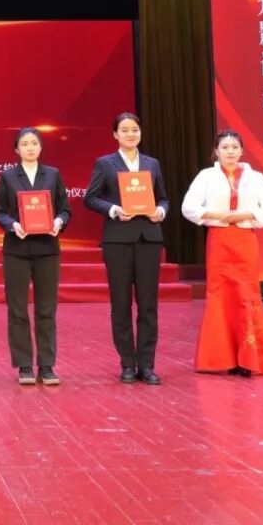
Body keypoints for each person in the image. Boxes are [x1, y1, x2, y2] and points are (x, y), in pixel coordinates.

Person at [181, 129, 263, 376]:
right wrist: (218, 215)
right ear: (216, 151)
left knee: (247, 295)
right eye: (225, 147)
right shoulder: (206, 176)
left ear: (241, 150)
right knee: (221, 295)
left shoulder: (255, 177)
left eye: (235, 147)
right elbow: (188, 207)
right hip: (219, 240)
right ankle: (221, 358)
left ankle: (249, 358)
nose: (230, 152)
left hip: (245, 240)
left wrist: (245, 215)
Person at [85, 113, 169, 386]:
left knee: (148, 304)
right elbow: (90, 198)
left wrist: (160, 211)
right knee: (120, 303)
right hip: (118, 240)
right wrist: (114, 210)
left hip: (149, 238)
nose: (130, 134)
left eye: (135, 129)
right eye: (124, 130)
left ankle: (147, 365)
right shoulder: (105, 163)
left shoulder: (152, 163)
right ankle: (127, 364)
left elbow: (163, 198)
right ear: (115, 134)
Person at [0, 127, 71, 386]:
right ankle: (24, 365)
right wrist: (13, 225)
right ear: (16, 149)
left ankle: (47, 365)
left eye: (34, 143)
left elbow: (65, 209)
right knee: (17, 310)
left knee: (46, 309)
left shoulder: (53, 175)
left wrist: (58, 222)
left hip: (47, 249)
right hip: (16, 250)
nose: (29, 147)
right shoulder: (8, 176)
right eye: (24, 144)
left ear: (40, 147)